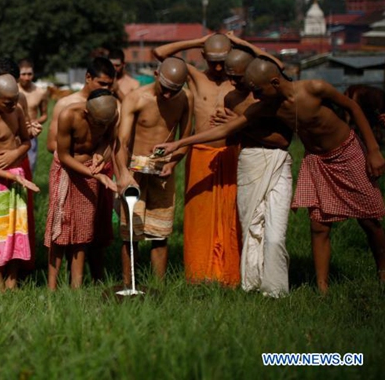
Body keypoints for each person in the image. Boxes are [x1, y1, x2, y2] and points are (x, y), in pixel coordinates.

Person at [156, 57, 385, 293]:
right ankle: (322, 288)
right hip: (316, 160)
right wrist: (180, 143)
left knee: (368, 220)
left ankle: (382, 271)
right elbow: (225, 129)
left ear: (275, 82)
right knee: (319, 226)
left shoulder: (314, 88)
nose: (254, 97)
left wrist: (374, 150)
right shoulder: (266, 106)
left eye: (258, 91)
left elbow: (353, 107)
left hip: (347, 151)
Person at [153, 33, 241, 286]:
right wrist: (199, 40)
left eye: (222, 60)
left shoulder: (239, 79)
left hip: (230, 152)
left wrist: (241, 45)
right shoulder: (196, 76)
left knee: (231, 213)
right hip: (200, 152)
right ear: (203, 56)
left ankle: (230, 274)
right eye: (212, 60)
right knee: (198, 215)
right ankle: (199, 274)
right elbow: (160, 53)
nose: (218, 67)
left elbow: (271, 68)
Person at [213, 41, 294, 297]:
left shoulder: (270, 96)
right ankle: (252, 284)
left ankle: (276, 289)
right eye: (230, 77)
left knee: (275, 235)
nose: (234, 82)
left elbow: (282, 140)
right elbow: (231, 138)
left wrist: (240, 125)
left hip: (277, 161)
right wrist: (232, 128)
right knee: (251, 227)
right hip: (249, 162)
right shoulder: (231, 98)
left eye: (238, 77)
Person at [115, 58, 193, 286]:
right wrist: (123, 174)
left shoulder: (186, 98)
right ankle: (129, 284)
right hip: (134, 170)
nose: (169, 95)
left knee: (160, 234)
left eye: (175, 91)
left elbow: (185, 140)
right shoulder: (136, 98)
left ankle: (158, 286)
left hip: (163, 170)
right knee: (131, 234)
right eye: (166, 89)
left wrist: (173, 163)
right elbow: (121, 141)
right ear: (157, 74)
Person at [46, 57, 116, 281]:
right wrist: (95, 174)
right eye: (96, 122)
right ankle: (52, 288)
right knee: (59, 228)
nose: (99, 126)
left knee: (84, 231)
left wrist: (100, 155)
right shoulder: (69, 113)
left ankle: (77, 287)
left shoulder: (110, 113)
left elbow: (109, 140)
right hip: (67, 171)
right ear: (87, 114)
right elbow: (63, 154)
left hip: (91, 172)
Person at [0, 75, 39, 290]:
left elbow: (26, 141)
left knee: (18, 229)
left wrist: (15, 155)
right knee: (0, 231)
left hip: (17, 173)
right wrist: (9, 175)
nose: (12, 105)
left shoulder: (17, 110)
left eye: (15, 100)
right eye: (7, 102)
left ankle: (13, 280)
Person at [18, 60, 49, 172]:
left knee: (30, 167)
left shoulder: (40, 92)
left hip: (31, 133)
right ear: (18, 74)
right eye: (23, 74)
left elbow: (45, 115)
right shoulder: (12, 90)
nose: (27, 77)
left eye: (29, 74)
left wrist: (35, 122)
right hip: (14, 133)